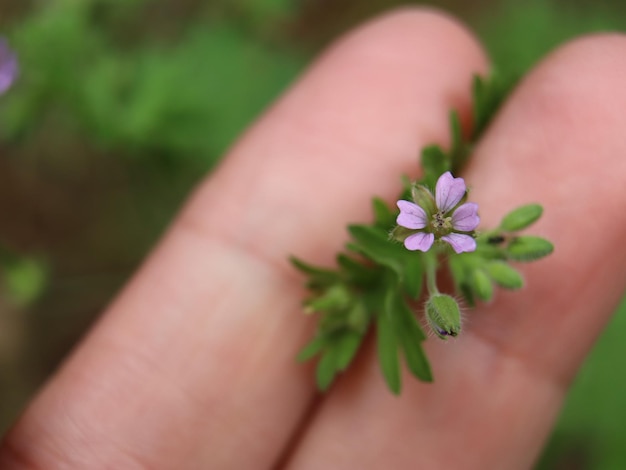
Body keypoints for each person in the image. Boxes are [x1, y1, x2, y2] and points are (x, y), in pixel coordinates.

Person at [1, 8, 625, 469]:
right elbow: (425, 223)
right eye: (436, 218)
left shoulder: (447, 232)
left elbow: (441, 231)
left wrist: (459, 242)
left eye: (450, 223)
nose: (440, 222)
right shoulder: (427, 223)